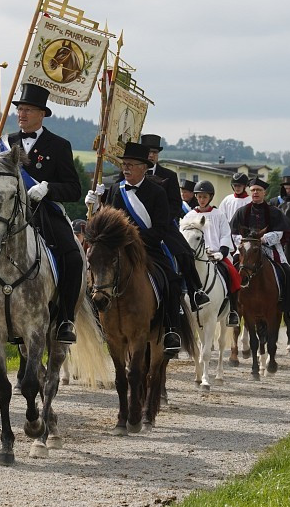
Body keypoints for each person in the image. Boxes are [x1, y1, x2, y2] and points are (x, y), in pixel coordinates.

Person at [0, 83, 82, 344]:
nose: (22, 114)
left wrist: (48, 188)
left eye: (28, 110)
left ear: (42, 114)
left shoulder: (59, 145)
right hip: (4, 215)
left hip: (43, 213)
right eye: (20, 109)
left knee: (72, 257)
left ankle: (66, 320)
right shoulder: (5, 142)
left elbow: (74, 188)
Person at [86, 142, 212, 355]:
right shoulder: (117, 189)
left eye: (131, 165)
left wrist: (135, 239)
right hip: (120, 249)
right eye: (124, 164)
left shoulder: (157, 192)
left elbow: (161, 227)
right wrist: (97, 206)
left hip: (149, 246)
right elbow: (109, 222)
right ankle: (100, 328)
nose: (126, 169)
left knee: (170, 279)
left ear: (144, 167)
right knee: (97, 278)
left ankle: (171, 329)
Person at [229, 177, 290, 320]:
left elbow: (282, 232)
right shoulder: (241, 212)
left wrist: (264, 239)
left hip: (270, 248)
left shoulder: (274, 212)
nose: (255, 193)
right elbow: (233, 234)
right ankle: (232, 309)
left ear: (265, 192)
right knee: (231, 270)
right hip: (246, 250)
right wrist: (247, 242)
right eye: (253, 190)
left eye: (259, 190)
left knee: (287, 272)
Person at [189, 180, 242, 326]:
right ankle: (181, 309)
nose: (202, 200)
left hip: (216, 254)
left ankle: (233, 311)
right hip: (196, 255)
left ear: (210, 197)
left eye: (204, 197)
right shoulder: (189, 215)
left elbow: (225, 234)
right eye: (199, 197)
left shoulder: (219, 214)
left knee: (232, 274)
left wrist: (223, 252)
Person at [140, 134, 183, 220]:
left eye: (155, 152)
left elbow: (176, 204)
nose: (151, 155)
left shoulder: (170, 176)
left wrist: (163, 220)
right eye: (148, 151)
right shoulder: (129, 173)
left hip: (162, 225)